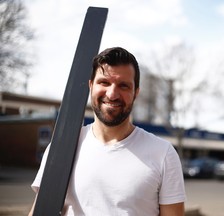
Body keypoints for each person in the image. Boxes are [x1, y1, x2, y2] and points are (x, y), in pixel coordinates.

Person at [28, 47, 186, 216]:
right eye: (104, 82)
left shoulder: (163, 154)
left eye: (123, 86)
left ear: (136, 93)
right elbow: (40, 210)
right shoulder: (62, 148)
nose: (112, 94)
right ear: (91, 85)